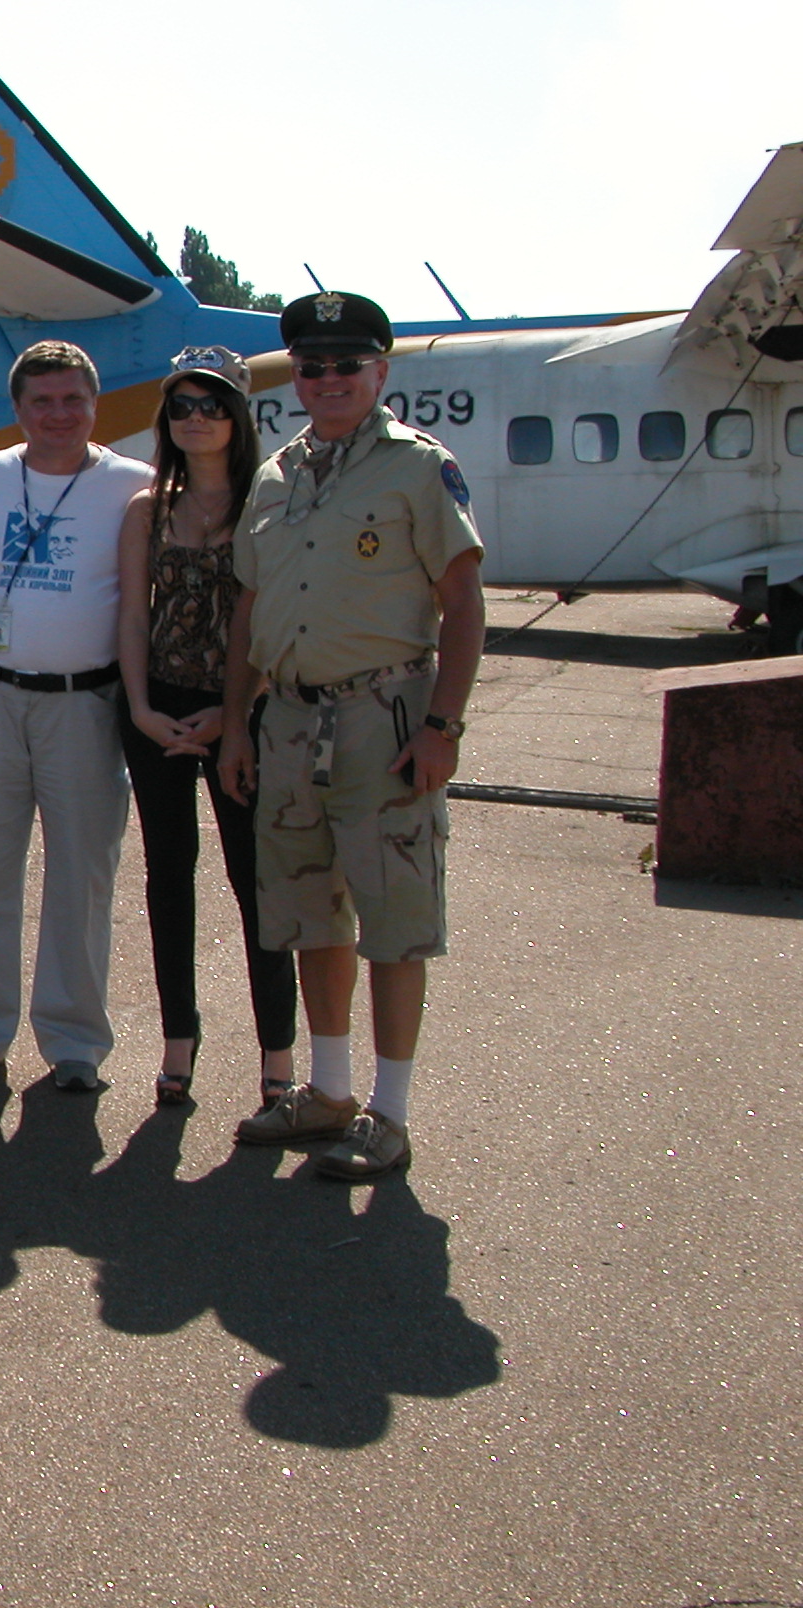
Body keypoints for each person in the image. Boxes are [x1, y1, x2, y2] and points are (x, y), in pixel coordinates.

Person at [221, 292, 483, 1180]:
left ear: (379, 372)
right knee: (309, 912)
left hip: (386, 716)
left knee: (395, 919)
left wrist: (443, 725)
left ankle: (389, 1113)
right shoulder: (275, 476)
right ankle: (328, 1092)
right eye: (311, 367)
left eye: (346, 365)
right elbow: (249, 611)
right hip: (291, 720)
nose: (327, 380)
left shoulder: (418, 468)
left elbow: (463, 601)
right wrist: (237, 725)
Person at [0, 340, 150, 1092]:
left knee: (82, 877)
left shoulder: (134, 488)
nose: (58, 414)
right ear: (18, 408)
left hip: (86, 704)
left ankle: (74, 1042)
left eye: (72, 400)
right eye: (42, 401)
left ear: (95, 405)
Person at [115, 346, 295, 1111]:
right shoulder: (148, 508)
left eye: (213, 405)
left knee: (257, 882)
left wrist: (234, 710)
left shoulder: (269, 503)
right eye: (182, 405)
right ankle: (176, 1046)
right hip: (157, 707)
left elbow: (276, 620)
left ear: (239, 416)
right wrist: (139, 709)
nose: (197, 418)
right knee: (168, 876)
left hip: (242, 711)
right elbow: (132, 616)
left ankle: (278, 1058)